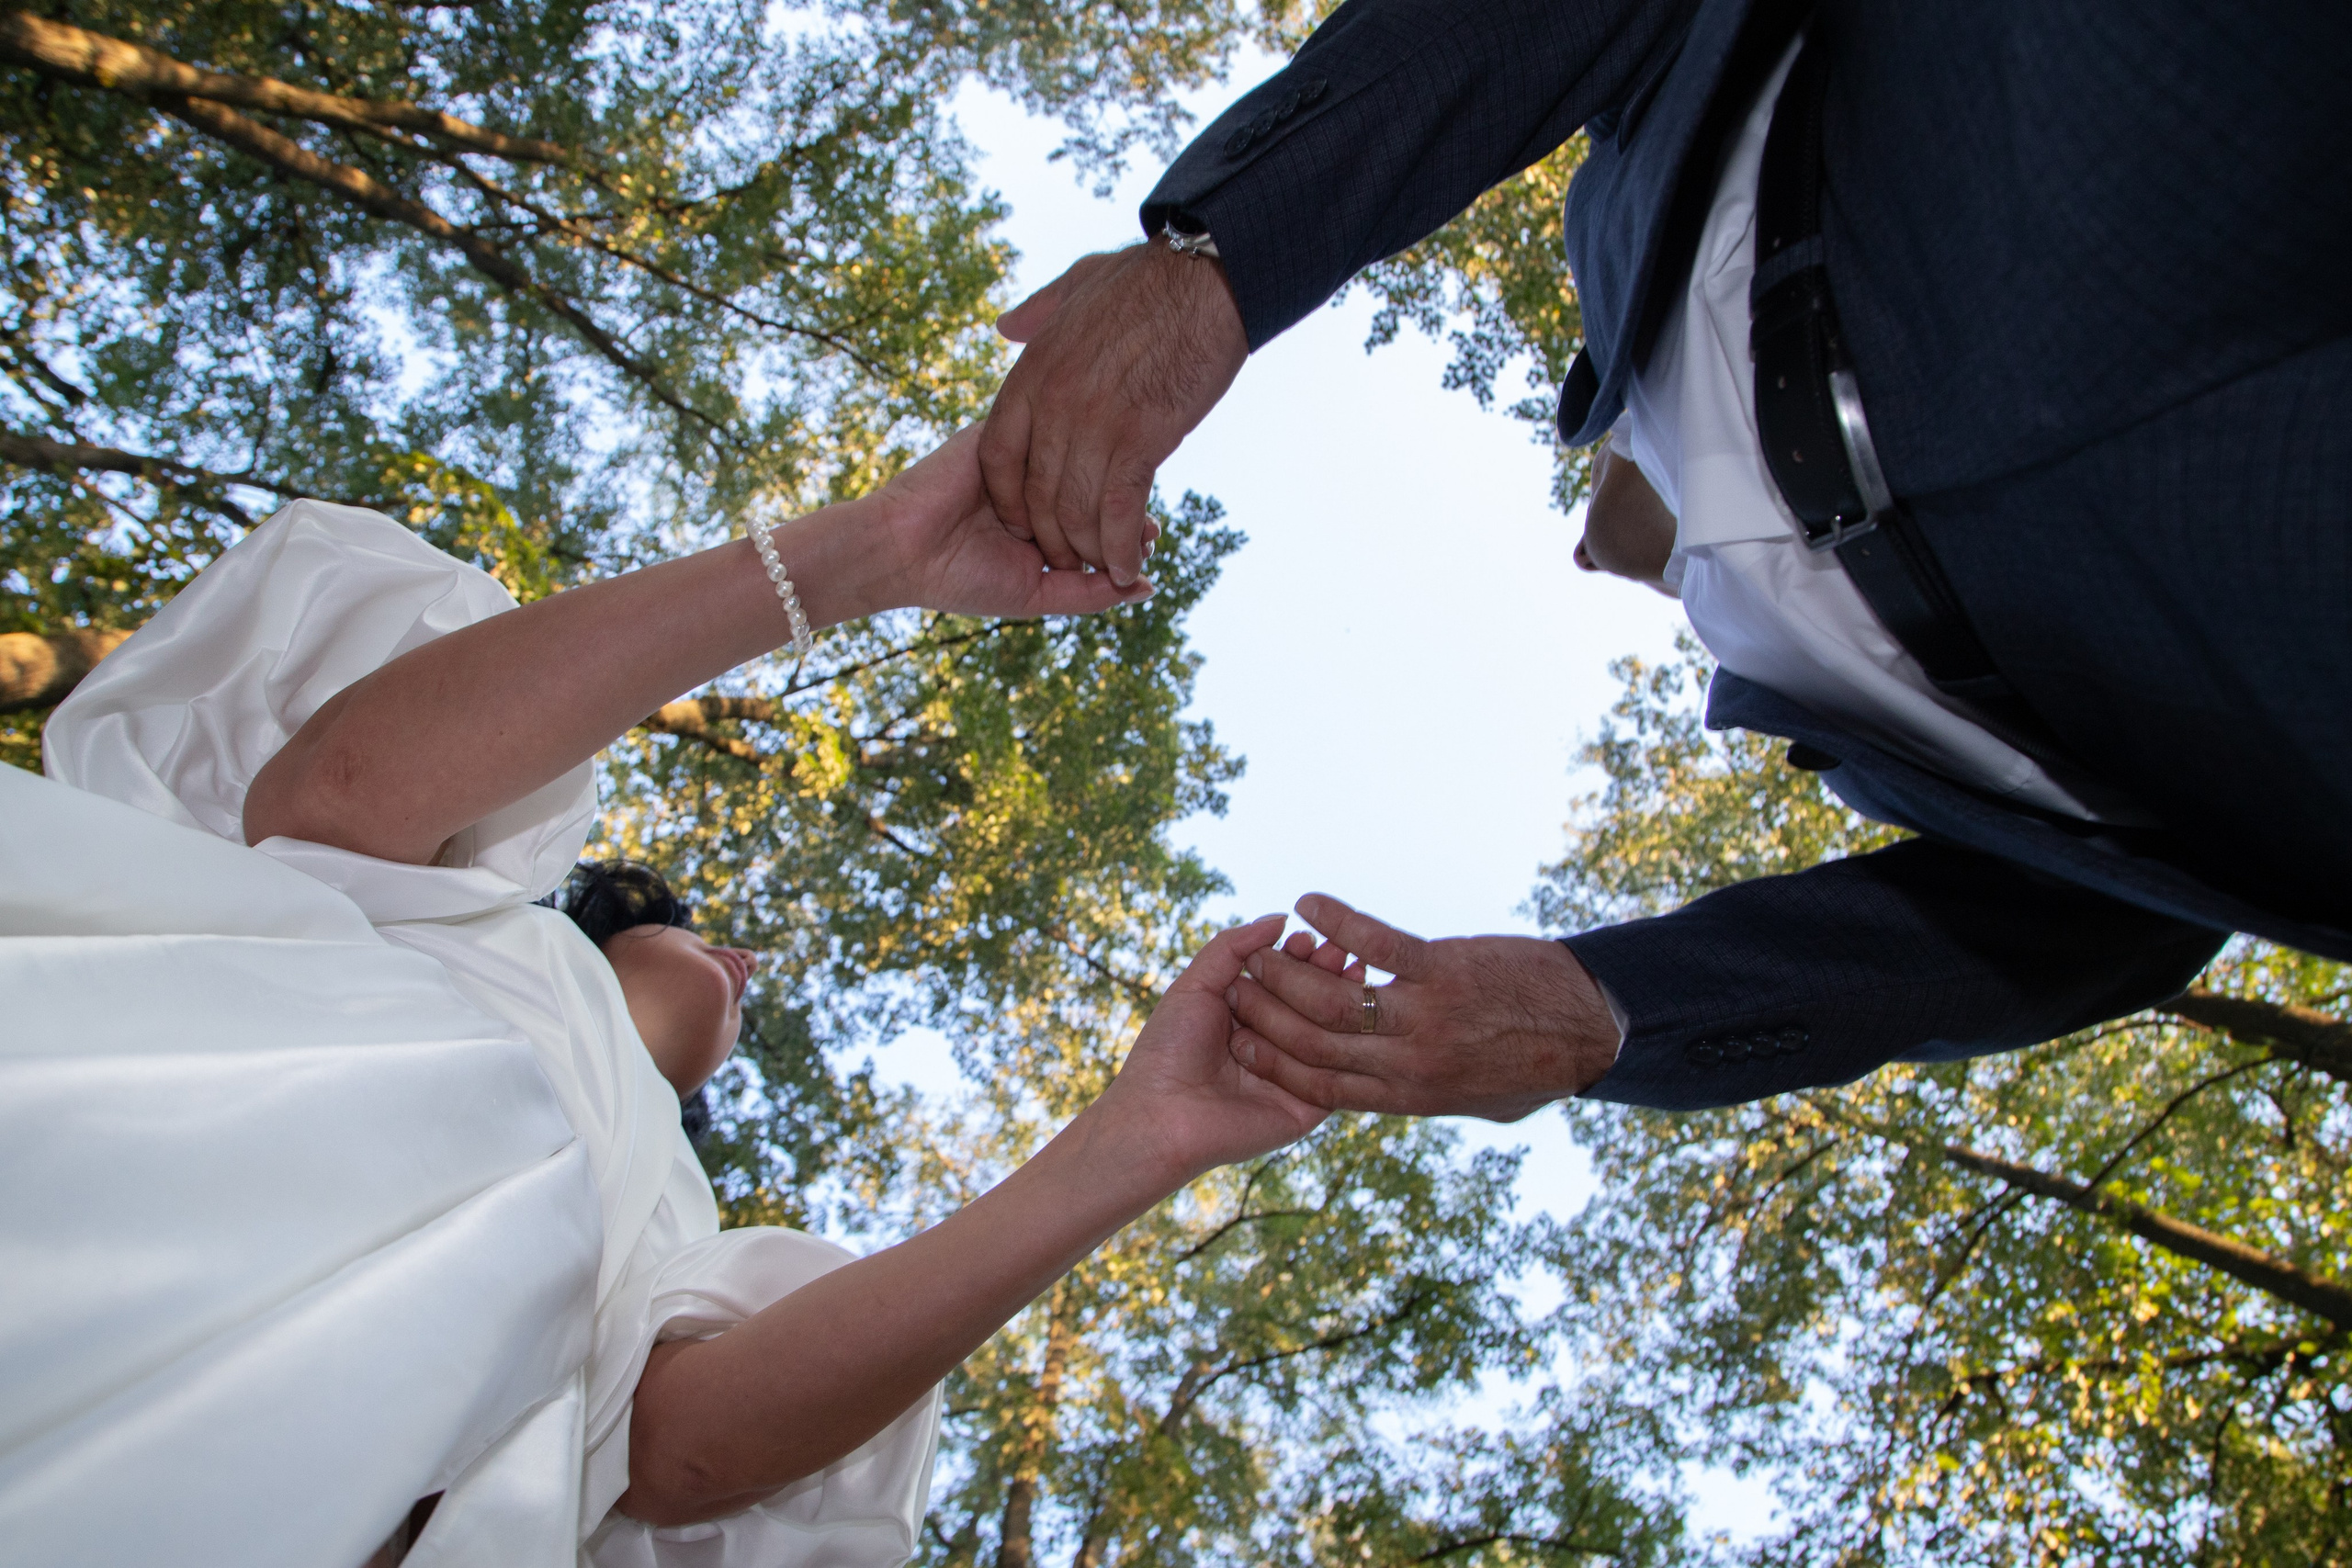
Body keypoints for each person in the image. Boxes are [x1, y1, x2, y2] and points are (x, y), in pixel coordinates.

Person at [977, 0, 2352, 1119]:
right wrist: (1601, 1010)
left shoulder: (1651, 194)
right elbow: (2113, 918)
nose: (1591, 563)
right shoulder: (1848, 722)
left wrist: (1222, 258)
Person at [31, 427, 1344, 1565]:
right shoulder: (466, 913)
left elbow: (682, 1459)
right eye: (701, 930)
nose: (746, 966)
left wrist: (1137, 1140)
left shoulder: (677, 1235)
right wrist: (867, 554)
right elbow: (337, 794)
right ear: (601, 921)